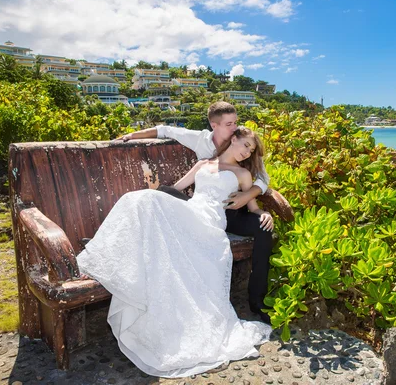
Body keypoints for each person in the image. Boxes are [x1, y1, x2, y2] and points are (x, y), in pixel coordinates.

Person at [76, 127, 272, 377]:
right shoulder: (203, 164)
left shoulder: (243, 174)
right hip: (190, 212)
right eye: (245, 145)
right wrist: (155, 201)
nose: (247, 152)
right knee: (138, 200)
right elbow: (176, 188)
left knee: (143, 201)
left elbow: (252, 206)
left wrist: (263, 213)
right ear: (233, 139)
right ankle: (102, 251)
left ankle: (97, 247)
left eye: (251, 150)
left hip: (210, 223)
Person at [117, 101, 273, 323]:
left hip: (224, 212)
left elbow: (259, 190)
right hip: (196, 207)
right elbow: (175, 179)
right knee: (143, 198)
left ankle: (257, 301)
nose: (234, 128)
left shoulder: (244, 168)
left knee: (264, 230)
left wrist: (257, 207)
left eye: (235, 123)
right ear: (215, 126)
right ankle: (118, 242)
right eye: (230, 125)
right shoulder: (204, 153)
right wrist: (133, 135)